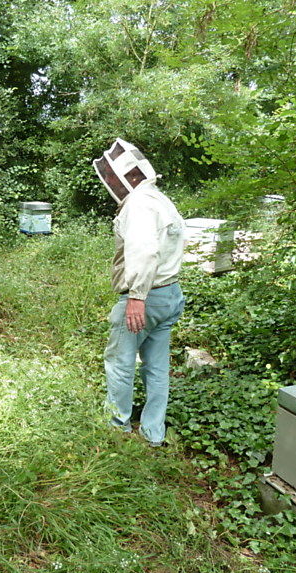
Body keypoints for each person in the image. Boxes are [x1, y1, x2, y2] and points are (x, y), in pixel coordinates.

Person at [93, 138, 186, 446]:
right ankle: (153, 433)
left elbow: (145, 251)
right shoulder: (160, 200)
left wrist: (136, 298)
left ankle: (117, 425)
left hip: (146, 297)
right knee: (157, 368)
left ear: (128, 175)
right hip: (171, 294)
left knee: (120, 361)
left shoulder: (138, 204)